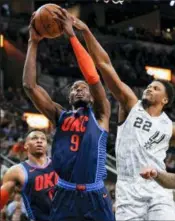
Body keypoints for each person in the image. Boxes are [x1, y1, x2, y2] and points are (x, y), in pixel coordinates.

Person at [71, 16, 175, 220]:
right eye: (149, 85)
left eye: (156, 88)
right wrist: (86, 32)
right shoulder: (130, 104)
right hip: (128, 189)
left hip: (158, 190)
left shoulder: (173, 128)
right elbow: (104, 64)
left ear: (165, 99)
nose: (150, 87)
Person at [22, 9, 114, 221]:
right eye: (74, 88)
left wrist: (72, 36)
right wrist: (33, 42)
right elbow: (29, 86)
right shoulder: (59, 116)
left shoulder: (101, 113)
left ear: (91, 96)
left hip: (95, 194)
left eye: (82, 88)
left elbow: (92, 76)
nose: (78, 89)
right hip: (64, 194)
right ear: (69, 97)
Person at [0, 129, 58, 221]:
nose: (39, 141)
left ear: (46, 145)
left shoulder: (60, 163)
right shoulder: (16, 171)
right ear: (26, 145)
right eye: (34, 138)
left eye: (43, 139)